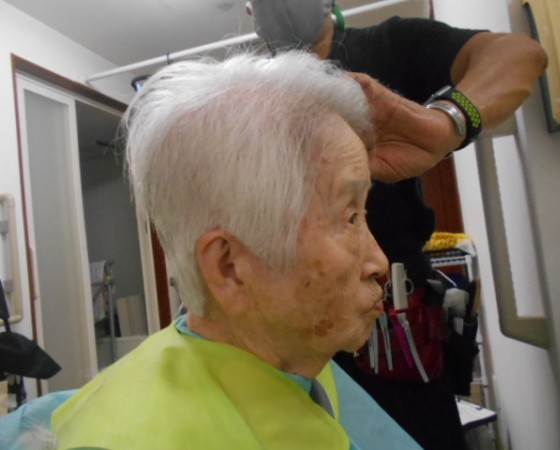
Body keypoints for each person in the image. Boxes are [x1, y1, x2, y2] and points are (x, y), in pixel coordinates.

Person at [31, 51, 432, 450]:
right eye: (349, 218)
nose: (379, 262)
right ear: (230, 268)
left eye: (362, 213)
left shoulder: (298, 358)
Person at [248, 1, 547, 449]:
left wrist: (446, 121)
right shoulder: (251, 94)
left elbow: (519, 54)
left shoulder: (390, 45)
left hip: (395, 329)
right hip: (295, 339)